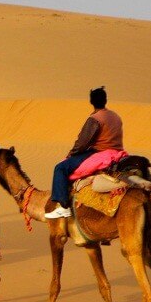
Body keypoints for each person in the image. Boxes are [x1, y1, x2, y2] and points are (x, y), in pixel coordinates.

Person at [44, 86, 124, 219]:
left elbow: (83, 142)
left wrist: (71, 154)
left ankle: (63, 207)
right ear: (105, 100)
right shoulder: (115, 116)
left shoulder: (95, 119)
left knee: (60, 168)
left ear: (91, 102)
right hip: (118, 152)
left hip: (100, 153)